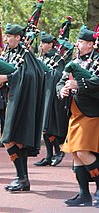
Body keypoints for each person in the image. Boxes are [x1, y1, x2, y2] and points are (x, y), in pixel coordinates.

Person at [0, 24, 44, 192]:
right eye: (6, 36)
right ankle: (22, 178)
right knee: (15, 140)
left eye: (10, 36)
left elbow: (30, 75)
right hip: (11, 99)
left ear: (18, 37)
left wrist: (7, 78)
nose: (7, 39)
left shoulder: (26, 54)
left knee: (10, 139)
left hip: (22, 102)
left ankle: (21, 177)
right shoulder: (9, 53)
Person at [57, 26, 99, 207]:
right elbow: (61, 80)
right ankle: (84, 195)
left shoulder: (97, 60)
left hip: (90, 112)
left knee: (83, 151)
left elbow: (96, 82)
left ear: (90, 44)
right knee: (75, 153)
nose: (77, 44)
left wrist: (78, 85)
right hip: (74, 111)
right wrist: (63, 90)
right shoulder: (76, 60)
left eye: (81, 42)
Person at [34, 33, 69, 167]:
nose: (41, 46)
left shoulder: (57, 58)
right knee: (44, 127)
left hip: (53, 97)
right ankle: (49, 155)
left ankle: (58, 151)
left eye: (43, 43)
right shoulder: (42, 57)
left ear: (50, 44)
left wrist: (47, 72)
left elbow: (59, 75)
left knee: (49, 127)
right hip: (44, 94)